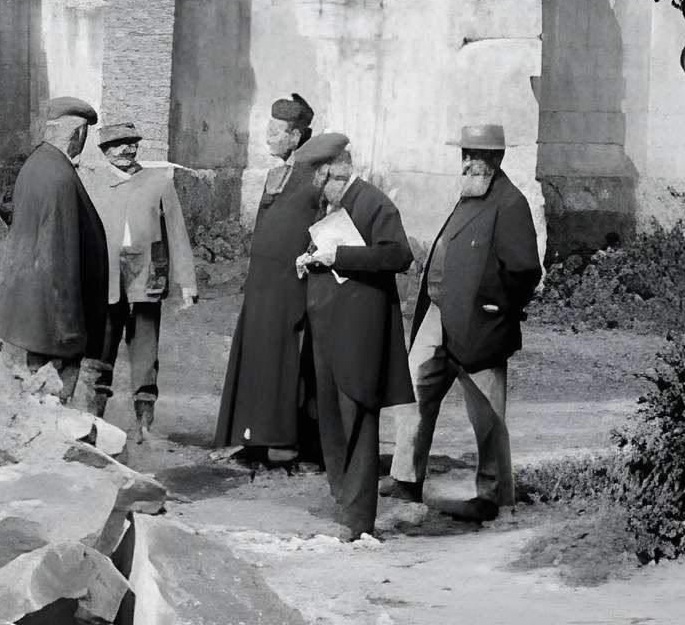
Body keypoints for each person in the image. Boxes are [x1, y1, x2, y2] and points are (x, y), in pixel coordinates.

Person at [387, 123, 540, 524]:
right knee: (413, 391)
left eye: (480, 155)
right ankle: (406, 479)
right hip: (438, 314)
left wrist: (495, 309)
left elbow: (524, 270)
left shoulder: (510, 203)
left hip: (480, 323)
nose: (470, 162)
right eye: (466, 154)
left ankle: (491, 496)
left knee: (486, 412)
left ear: (498, 160)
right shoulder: (468, 194)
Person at [295, 132, 415, 540]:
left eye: (313, 172)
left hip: (359, 330)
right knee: (330, 417)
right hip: (328, 327)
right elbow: (329, 255)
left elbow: (398, 255)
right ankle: (342, 503)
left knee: (357, 415)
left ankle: (358, 517)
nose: (310, 180)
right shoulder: (330, 206)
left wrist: (339, 256)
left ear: (329, 170)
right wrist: (310, 259)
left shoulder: (373, 202)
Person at [216, 92, 324, 465]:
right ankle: (253, 434)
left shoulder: (316, 177)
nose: (267, 136)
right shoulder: (274, 174)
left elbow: (326, 228)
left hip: (292, 287)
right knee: (257, 356)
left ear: (296, 136)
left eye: (276, 130)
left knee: (285, 360)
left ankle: (285, 439)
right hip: (262, 286)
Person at [76, 117, 198, 440]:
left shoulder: (158, 182)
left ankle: (145, 424)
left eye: (132, 143)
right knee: (100, 350)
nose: (127, 149)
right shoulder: (92, 185)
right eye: (118, 144)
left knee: (145, 354)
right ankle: (91, 422)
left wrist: (188, 281)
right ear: (104, 150)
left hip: (146, 277)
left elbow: (177, 233)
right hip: (107, 280)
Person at [0, 95, 108, 386]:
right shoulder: (59, 176)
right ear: (75, 134)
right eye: (84, 135)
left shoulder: (35, 165)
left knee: (36, 390)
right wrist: (69, 327)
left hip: (33, 312)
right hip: (55, 319)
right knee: (56, 398)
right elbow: (61, 254)